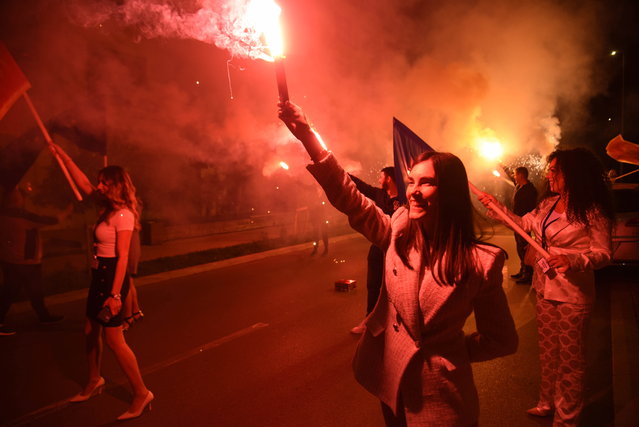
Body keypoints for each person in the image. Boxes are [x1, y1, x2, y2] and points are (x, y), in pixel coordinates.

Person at [279, 102, 518, 426]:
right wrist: (308, 137)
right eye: (411, 181)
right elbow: (349, 198)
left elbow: (501, 339)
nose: (414, 192)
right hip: (392, 384)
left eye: (426, 182)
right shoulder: (397, 231)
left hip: (443, 396)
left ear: (449, 192)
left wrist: (451, 351)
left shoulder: (480, 263)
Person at [477, 148, 613, 426]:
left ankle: (567, 418)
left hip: (574, 295)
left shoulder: (592, 211)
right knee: (549, 352)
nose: (549, 175)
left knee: (571, 361)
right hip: (545, 289)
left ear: (573, 175)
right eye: (550, 170)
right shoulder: (548, 204)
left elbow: (604, 253)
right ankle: (547, 401)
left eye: (555, 171)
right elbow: (522, 224)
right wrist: (495, 206)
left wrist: (574, 260)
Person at [52, 144, 153, 420]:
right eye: (99, 182)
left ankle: (141, 393)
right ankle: (95, 380)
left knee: (114, 340)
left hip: (112, 277)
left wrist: (116, 295)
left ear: (116, 186)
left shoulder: (124, 215)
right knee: (89, 330)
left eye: (103, 183)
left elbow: (121, 258)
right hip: (99, 274)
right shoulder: (106, 209)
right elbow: (83, 183)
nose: (98, 186)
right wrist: (63, 155)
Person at [0, 185, 68, 335]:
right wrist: (67, 211)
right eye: (19, 195)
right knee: (11, 292)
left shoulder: (3, 214)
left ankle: (44, 316)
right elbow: (50, 220)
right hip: (25, 262)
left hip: (11, 260)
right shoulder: (21, 216)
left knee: (33, 291)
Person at [349, 168, 399, 334]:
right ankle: (369, 320)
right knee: (373, 285)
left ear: (389, 178)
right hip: (378, 248)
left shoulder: (406, 198)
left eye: (381, 176)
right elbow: (360, 186)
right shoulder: (379, 195)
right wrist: (338, 171)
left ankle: (395, 323)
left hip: (398, 251)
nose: (379, 179)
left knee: (394, 289)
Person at [502, 165, 538, 284]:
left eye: (515, 174)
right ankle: (523, 270)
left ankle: (528, 274)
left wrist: (525, 221)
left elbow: (532, 208)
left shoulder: (530, 190)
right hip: (516, 222)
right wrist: (504, 168)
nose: (514, 176)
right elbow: (511, 178)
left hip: (524, 223)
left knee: (524, 248)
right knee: (519, 247)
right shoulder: (519, 185)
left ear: (521, 175)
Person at [122, 228, 144, 332]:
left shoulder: (125, 214)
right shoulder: (131, 214)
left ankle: (128, 317)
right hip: (132, 245)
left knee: (125, 283)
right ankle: (135, 312)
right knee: (129, 281)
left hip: (128, 248)